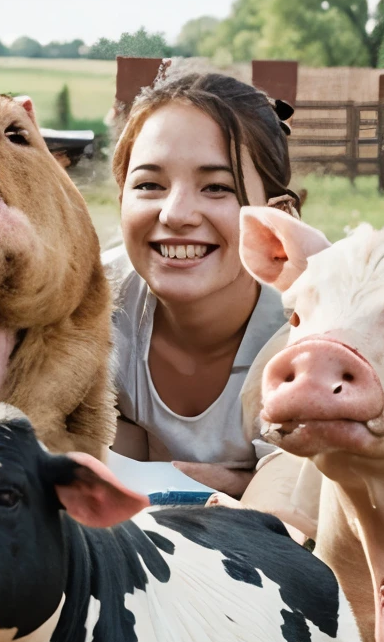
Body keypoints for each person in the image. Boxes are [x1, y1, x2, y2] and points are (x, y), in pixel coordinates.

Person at [106, 68, 300, 502]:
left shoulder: (307, 334)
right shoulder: (90, 306)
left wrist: (254, 490)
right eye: (149, 184)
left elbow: (307, 504)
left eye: (216, 187)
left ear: (277, 215)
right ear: (121, 201)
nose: (176, 214)